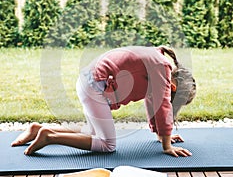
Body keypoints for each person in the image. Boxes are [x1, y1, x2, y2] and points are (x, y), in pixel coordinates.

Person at [12, 45, 196, 157]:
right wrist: (167, 147)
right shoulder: (162, 68)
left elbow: (153, 104)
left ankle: (37, 129)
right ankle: (50, 137)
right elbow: (163, 107)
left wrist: (161, 135)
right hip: (95, 87)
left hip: (89, 82)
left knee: (92, 132)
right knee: (107, 145)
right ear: (173, 88)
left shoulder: (158, 61)